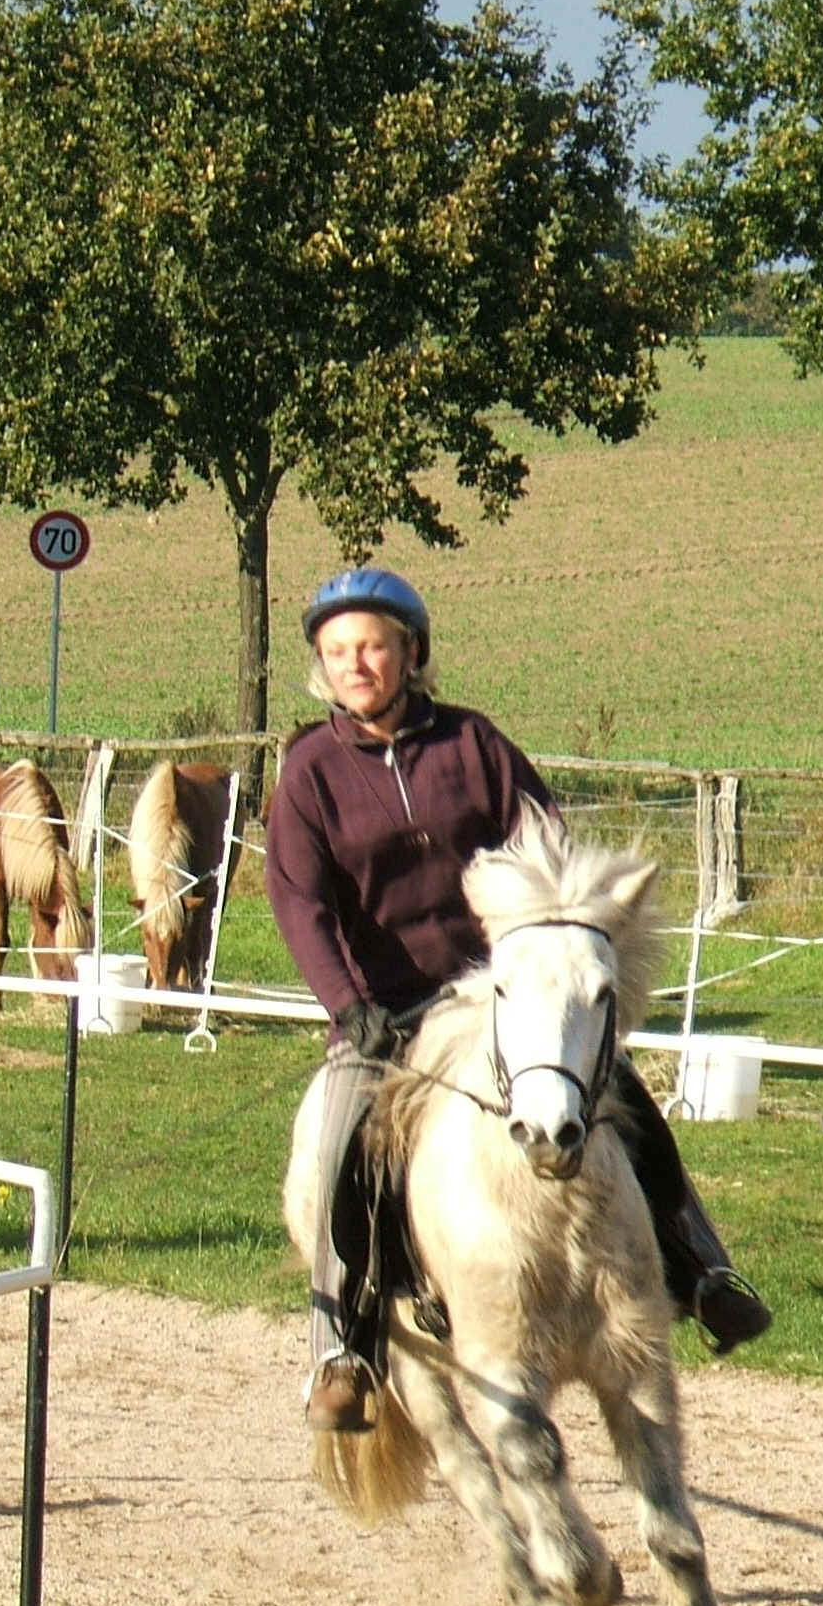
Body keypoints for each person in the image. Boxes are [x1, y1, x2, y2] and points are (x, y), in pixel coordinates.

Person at [263, 565, 772, 1433]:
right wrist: (348, 1005)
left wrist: (546, 959)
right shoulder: (309, 770)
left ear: (411, 652)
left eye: (374, 646)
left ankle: (701, 1265)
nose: (357, 664)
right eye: (338, 650)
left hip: (500, 997)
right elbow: (299, 903)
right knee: (344, 1142)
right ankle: (342, 1346)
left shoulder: (475, 746)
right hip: (382, 1014)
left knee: (625, 1101)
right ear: (322, 664)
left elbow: (549, 852)